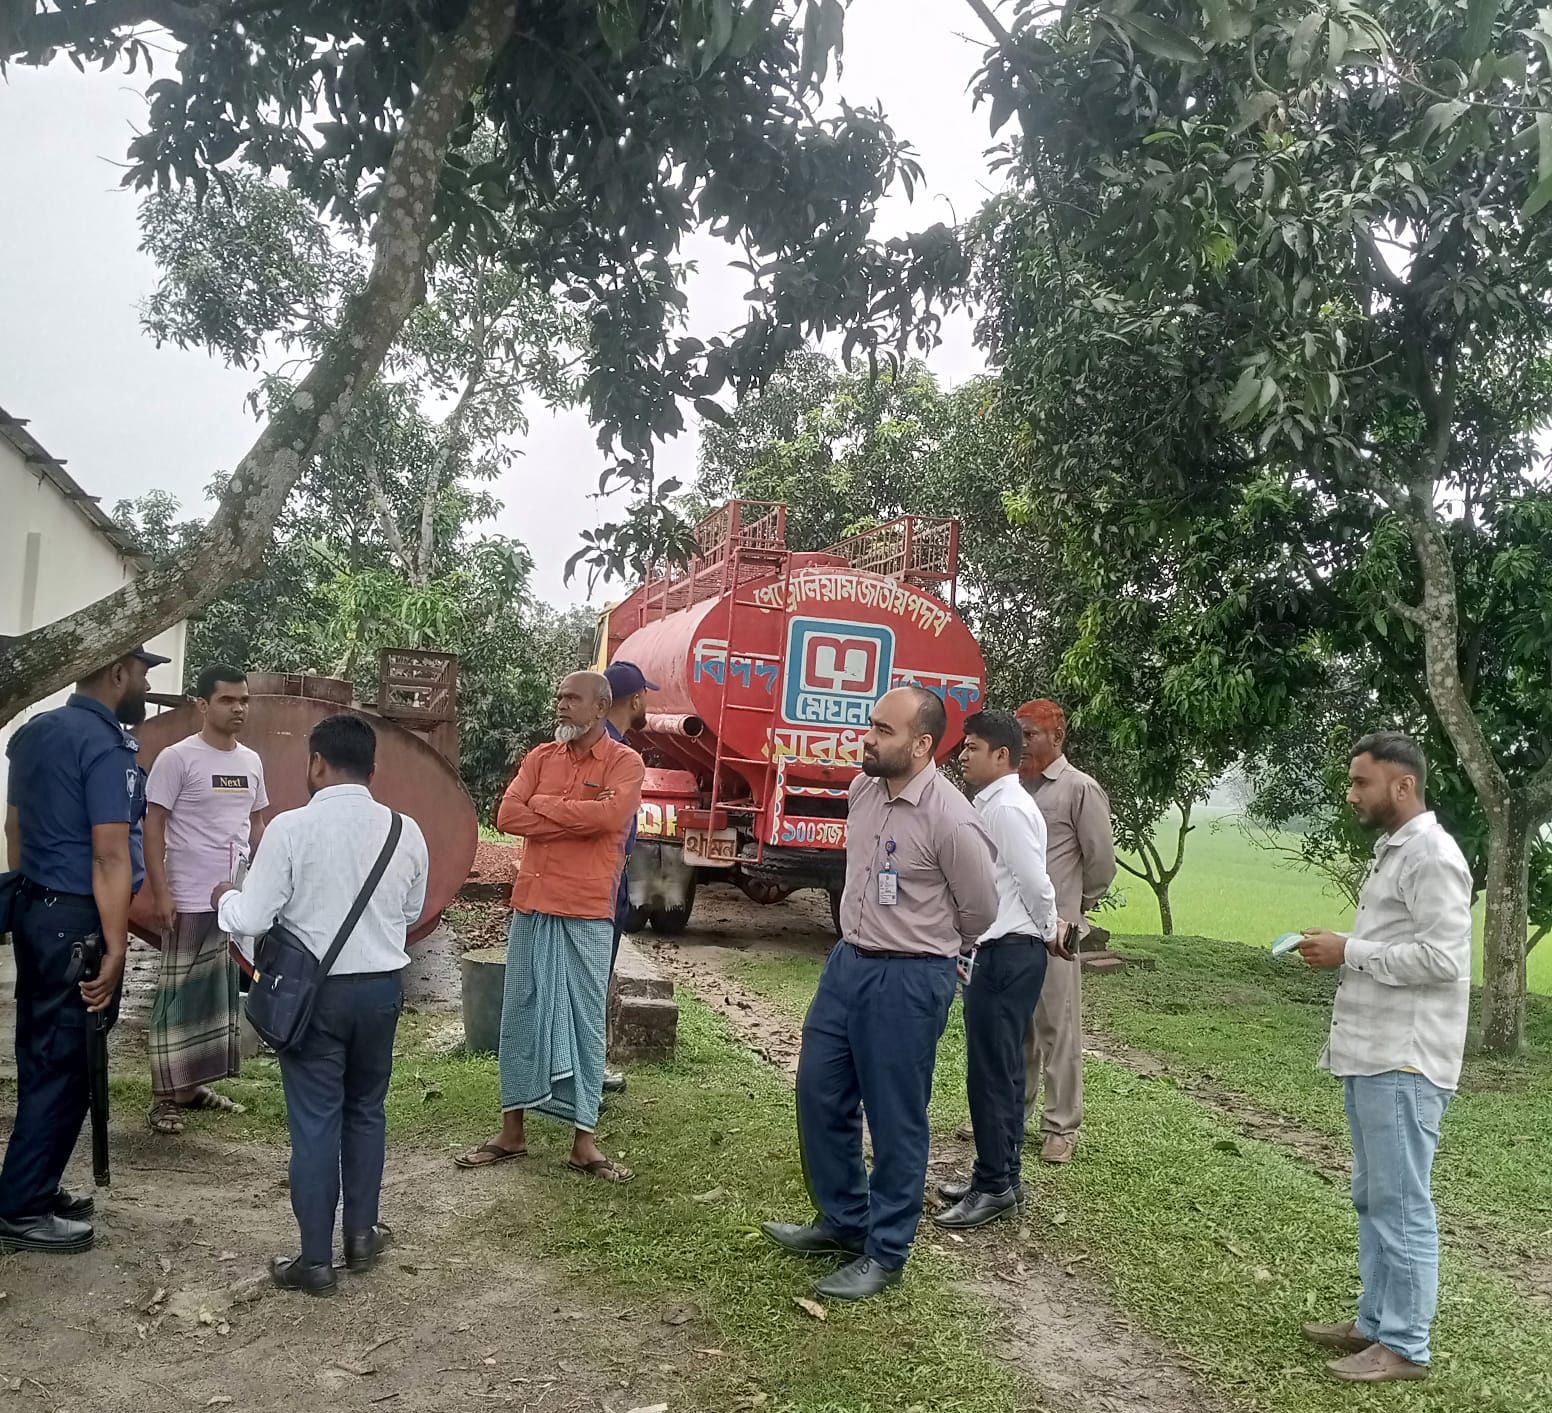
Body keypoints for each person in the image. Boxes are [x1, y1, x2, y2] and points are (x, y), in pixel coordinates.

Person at [763, 687, 997, 1301]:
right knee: (819, 1092)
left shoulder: (952, 818)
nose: (868, 738)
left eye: (884, 731)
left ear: (922, 745)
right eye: (871, 726)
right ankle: (843, 1221)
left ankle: (887, 1251)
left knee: (896, 1117)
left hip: (911, 975)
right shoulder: (864, 792)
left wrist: (928, 955)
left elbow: (981, 911)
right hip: (847, 964)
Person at [213, 714, 429, 1296]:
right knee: (366, 1111)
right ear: (373, 771)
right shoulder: (405, 831)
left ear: (315, 763)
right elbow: (410, 914)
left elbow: (253, 919)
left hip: (315, 996)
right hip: (382, 991)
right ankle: (361, 1236)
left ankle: (314, 1262)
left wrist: (225, 899)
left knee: (315, 1124)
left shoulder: (289, 829)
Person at [1297, 732, 1471, 1384]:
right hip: (1373, 1053)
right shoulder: (1396, 851)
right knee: (1374, 1196)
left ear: (1403, 785)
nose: (1352, 794)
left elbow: (1444, 959)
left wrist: (1351, 950)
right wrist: (1348, 946)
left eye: (1361, 783)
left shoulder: (1433, 856)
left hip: (1405, 1058)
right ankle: (1375, 1319)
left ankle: (1404, 1343)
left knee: (1402, 1205)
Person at [0, 645, 168, 1255]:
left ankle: (34, 1187)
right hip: (79, 921)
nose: (146, 685)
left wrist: (39, 896)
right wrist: (116, 943)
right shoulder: (106, 745)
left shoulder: (36, 733)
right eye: (144, 672)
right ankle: (20, 1210)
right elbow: (109, 852)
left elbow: (15, 832)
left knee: (44, 1054)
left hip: (39, 908)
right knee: (67, 1064)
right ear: (117, 673)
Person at [456, 671, 645, 1183]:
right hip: (533, 905)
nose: (561, 706)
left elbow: (609, 821)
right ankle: (511, 1131)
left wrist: (546, 808)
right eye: (559, 697)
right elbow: (508, 815)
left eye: (572, 699)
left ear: (601, 706)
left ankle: (584, 1141)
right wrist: (570, 816)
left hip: (585, 911)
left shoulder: (625, 762)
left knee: (584, 1021)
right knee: (521, 1013)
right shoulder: (540, 757)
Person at [935, 711, 1070, 1229]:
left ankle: (994, 1185)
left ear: (1001, 756)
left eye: (973, 747)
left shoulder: (1008, 809)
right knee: (1003, 1070)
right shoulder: (996, 803)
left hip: (1008, 951)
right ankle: (1001, 1175)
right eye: (964, 746)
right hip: (1003, 950)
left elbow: (1035, 882)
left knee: (992, 1074)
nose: (963, 754)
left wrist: (1046, 930)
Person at [143, 663, 268, 1135]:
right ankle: (162, 1098)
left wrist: (257, 885)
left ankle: (191, 1087)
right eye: (227, 700)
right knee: (176, 995)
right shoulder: (178, 758)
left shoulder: (251, 762)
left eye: (244, 700)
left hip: (232, 901)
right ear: (202, 705)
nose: (238, 708)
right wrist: (160, 891)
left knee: (215, 994)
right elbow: (153, 827)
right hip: (188, 896)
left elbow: (256, 823)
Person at [1015, 699, 1116, 1165]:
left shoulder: (1079, 789)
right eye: (1021, 734)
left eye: (1032, 734)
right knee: (1018, 1028)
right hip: (1015, 927)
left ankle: (1061, 1128)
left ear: (1057, 737)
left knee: (1058, 1027)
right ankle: (1012, 1119)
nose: (1024, 743)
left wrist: (1077, 907)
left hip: (1060, 928)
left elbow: (1100, 865)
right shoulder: (1016, 787)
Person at [601, 658, 657, 1094]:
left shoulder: (600, 743)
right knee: (594, 975)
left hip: (605, 876)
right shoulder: (616, 753)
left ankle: (582, 1066)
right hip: (604, 880)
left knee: (594, 975)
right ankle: (587, 1070)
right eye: (645, 696)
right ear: (635, 698)